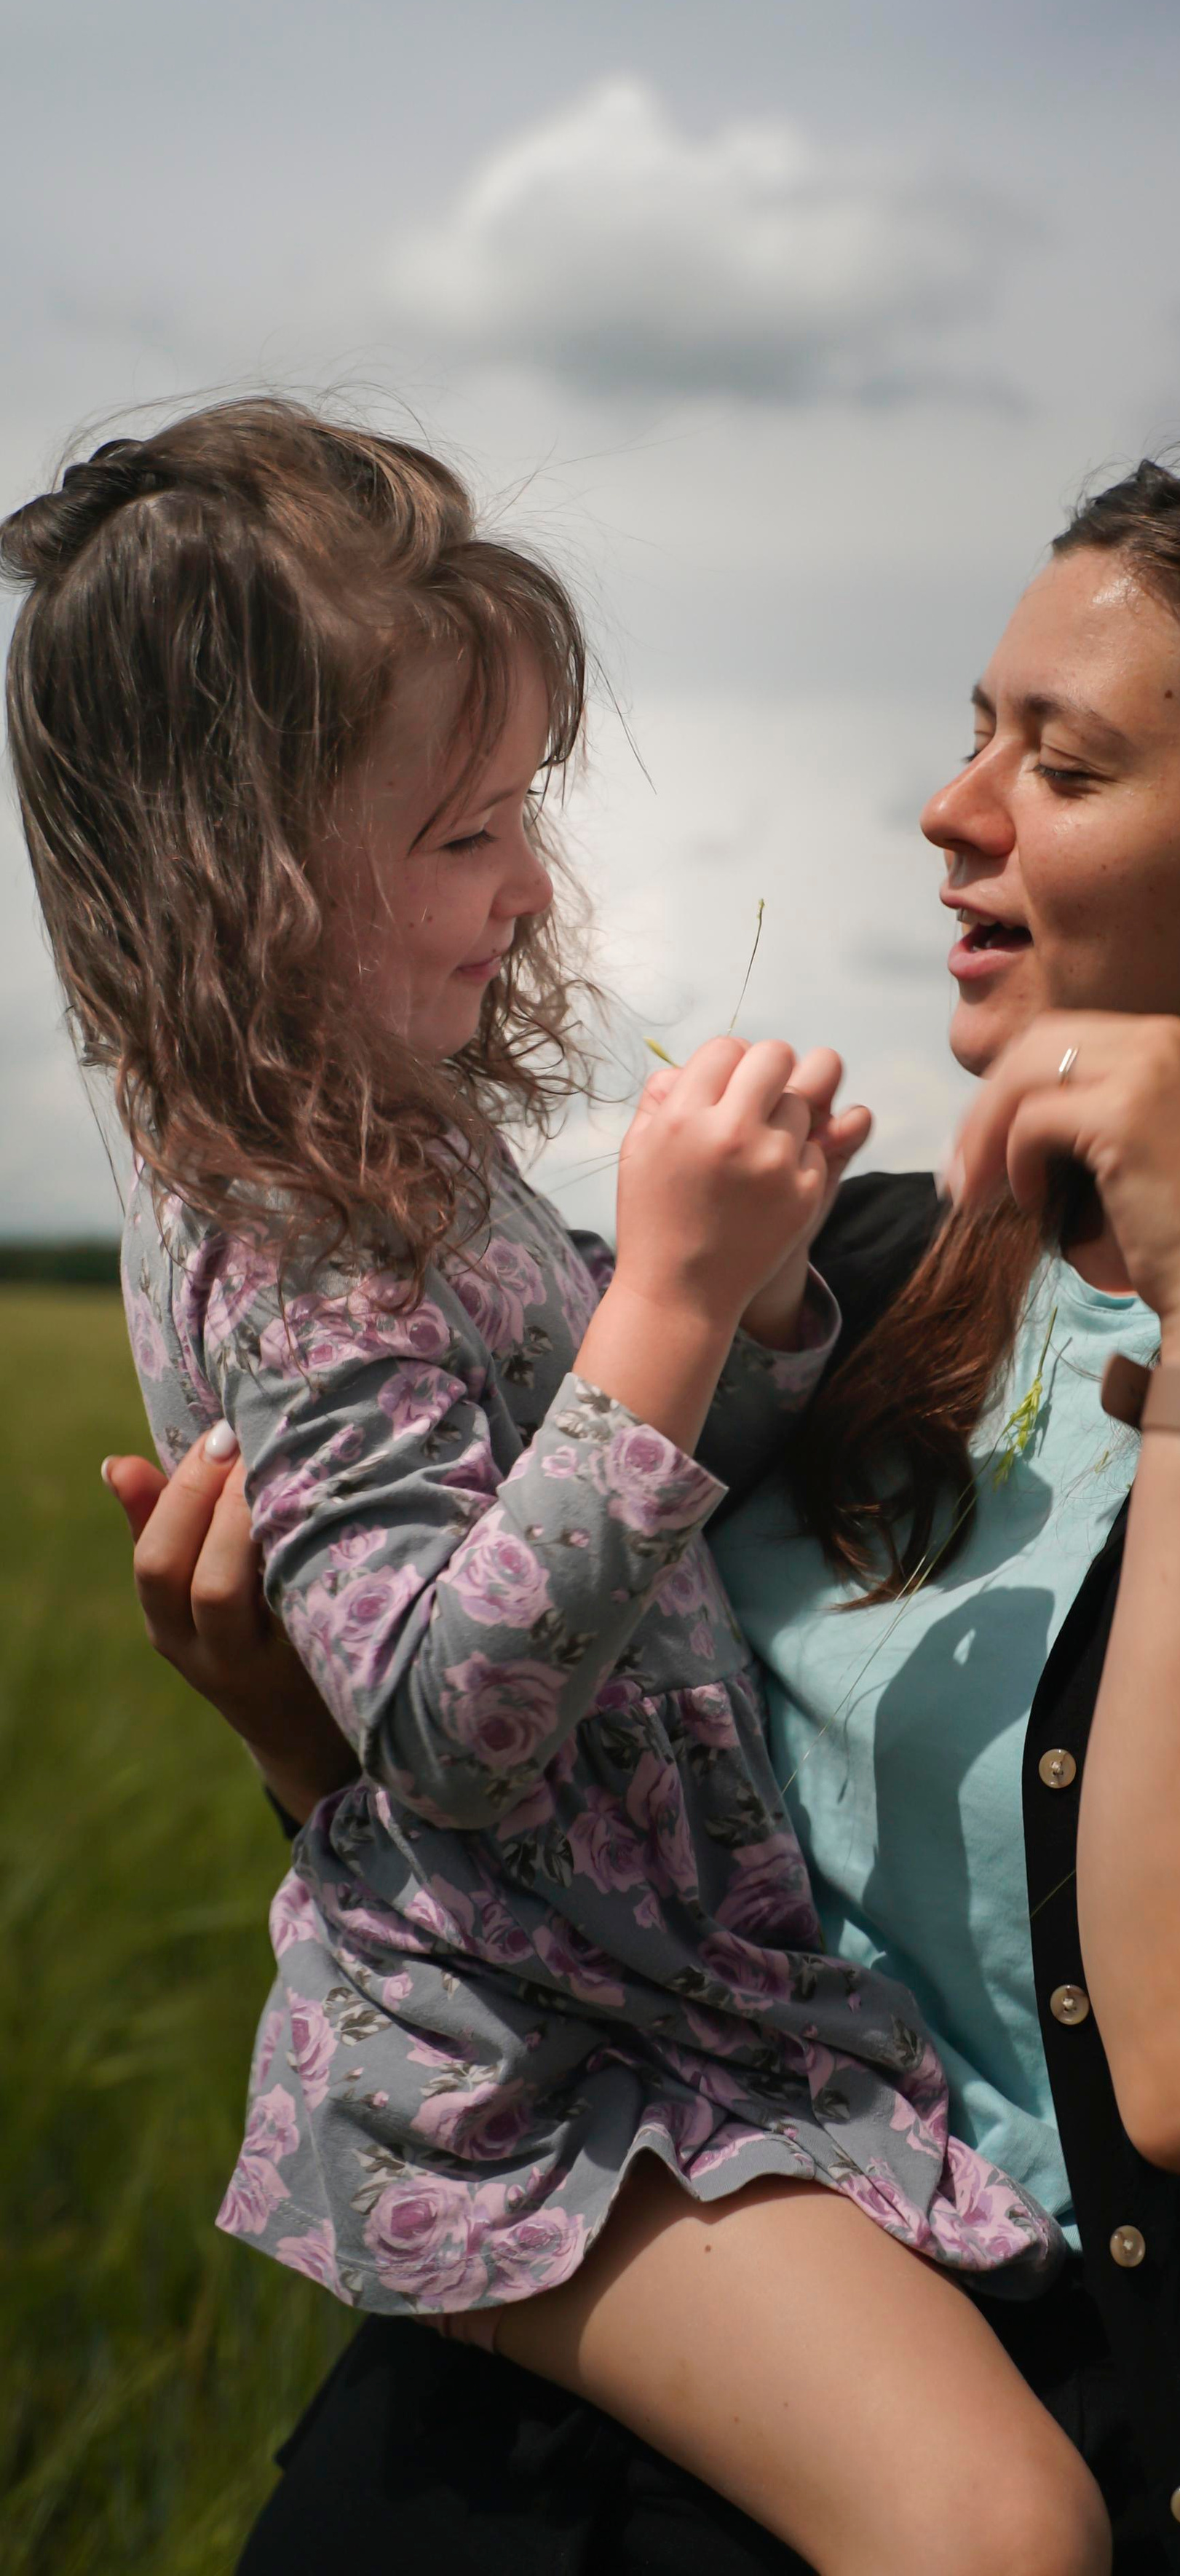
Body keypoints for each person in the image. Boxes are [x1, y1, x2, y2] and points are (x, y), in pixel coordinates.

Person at [104, 445, 1180, 2575]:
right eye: (973, 731)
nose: (954, 809)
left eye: (1063, 761)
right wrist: (307, 1740)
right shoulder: (875, 1261)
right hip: (515, 2457)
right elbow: (518, 1741)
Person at [4, 400, 1118, 2576]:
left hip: (649, 1998)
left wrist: (759, 1304)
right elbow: (446, 1719)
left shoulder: (396, 1166)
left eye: (518, 816)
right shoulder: (282, 1240)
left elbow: (621, 1486)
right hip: (527, 2060)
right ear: (233, 879)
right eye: (460, 833)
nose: (528, 884)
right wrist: (670, 1299)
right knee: (991, 2526)